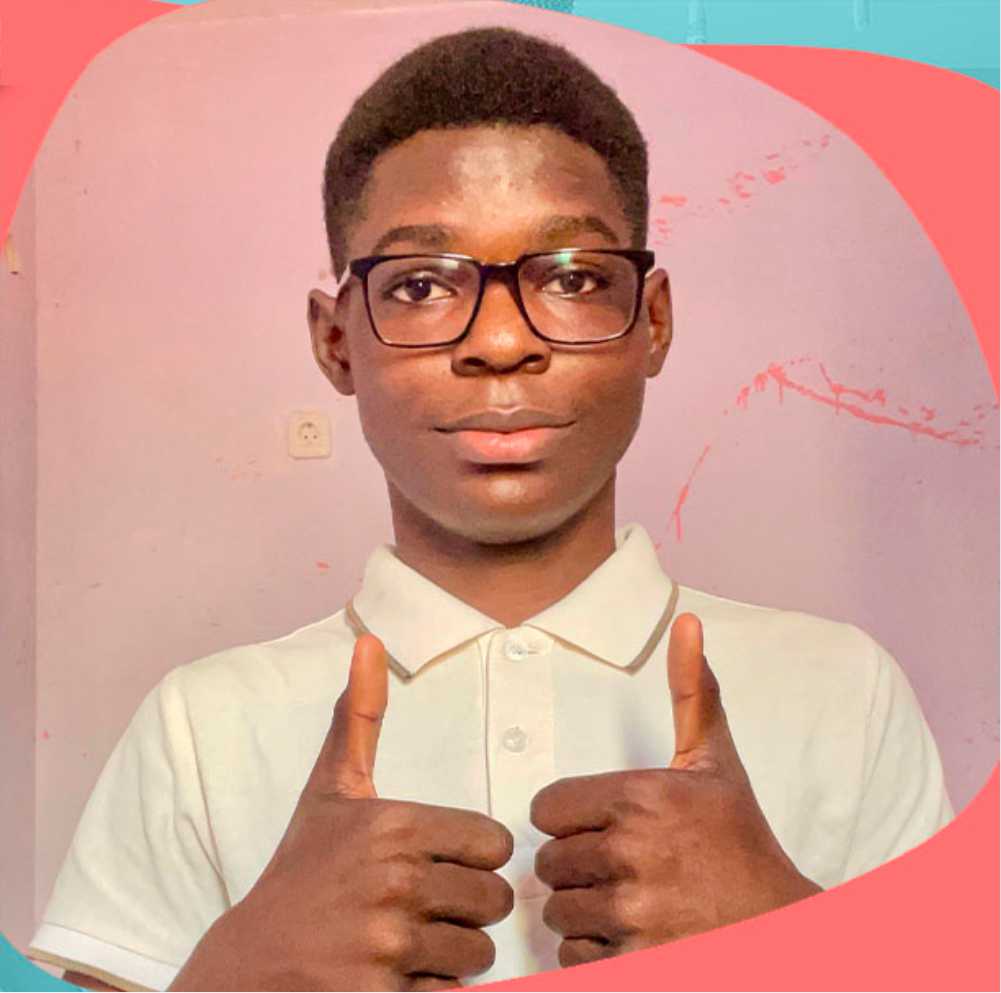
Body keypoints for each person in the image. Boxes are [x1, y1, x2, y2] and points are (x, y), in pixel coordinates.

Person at [29, 25, 952, 992]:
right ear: (337, 342)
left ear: (652, 323)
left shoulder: (843, 691)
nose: (502, 343)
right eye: (422, 285)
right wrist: (231, 977)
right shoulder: (200, 724)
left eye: (572, 277)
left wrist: (790, 944)